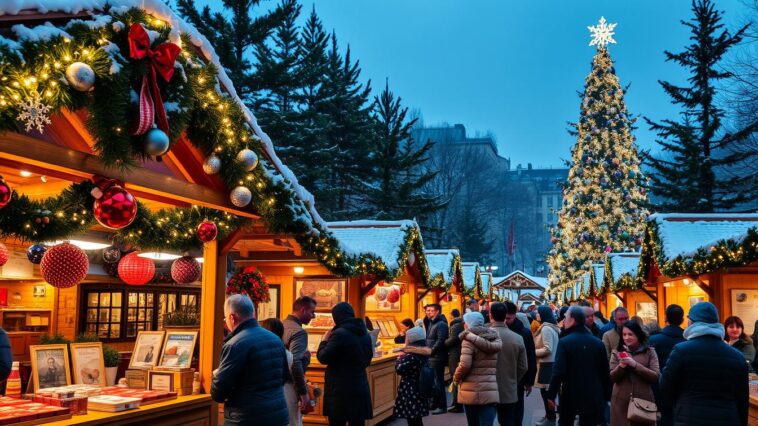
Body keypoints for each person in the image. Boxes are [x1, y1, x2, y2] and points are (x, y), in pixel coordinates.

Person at [659, 302, 749, 426]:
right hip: (727, 419)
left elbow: (665, 388)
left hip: (689, 417)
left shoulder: (681, 351)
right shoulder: (738, 357)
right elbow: (742, 400)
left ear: (692, 322)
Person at [211, 294, 289, 426]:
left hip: (246, 417)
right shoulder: (275, 339)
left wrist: (216, 375)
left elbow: (219, 393)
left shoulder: (234, 344)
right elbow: (284, 376)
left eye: (225, 318)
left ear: (232, 317)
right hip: (278, 413)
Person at [547, 306, 611, 426]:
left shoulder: (565, 342)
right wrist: (607, 395)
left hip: (570, 393)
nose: (563, 320)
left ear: (572, 320)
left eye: (566, 317)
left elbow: (558, 371)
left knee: (566, 421)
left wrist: (551, 394)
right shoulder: (597, 343)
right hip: (593, 393)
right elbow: (604, 371)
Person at [316, 302, 373, 426]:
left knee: (338, 422)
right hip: (359, 386)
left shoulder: (339, 334)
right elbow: (368, 360)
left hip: (340, 391)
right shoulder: (365, 334)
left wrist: (324, 341)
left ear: (336, 317)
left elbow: (323, 357)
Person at [453, 312, 502, 426]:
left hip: (471, 389)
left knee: (473, 422)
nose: (464, 324)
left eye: (465, 322)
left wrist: (456, 378)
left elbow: (465, 364)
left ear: (469, 324)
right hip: (490, 388)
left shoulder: (468, 340)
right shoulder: (494, 337)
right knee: (487, 423)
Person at [609, 320, 660, 426]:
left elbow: (655, 376)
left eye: (630, 334)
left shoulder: (650, 352)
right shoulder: (616, 352)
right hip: (620, 402)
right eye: (624, 334)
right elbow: (611, 378)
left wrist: (635, 365)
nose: (626, 337)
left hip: (643, 401)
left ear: (638, 335)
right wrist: (622, 366)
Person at [489, 302, 527, 426]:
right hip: (509, 387)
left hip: (486, 387)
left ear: (491, 315)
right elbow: (523, 366)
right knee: (507, 420)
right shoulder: (517, 338)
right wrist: (514, 379)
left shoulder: (482, 336)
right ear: (505, 315)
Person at [648, 304, 686, 426]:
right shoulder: (688, 340)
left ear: (666, 318)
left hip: (659, 388)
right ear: (682, 320)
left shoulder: (654, 340)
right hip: (682, 390)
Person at [261, 318, 300, 426]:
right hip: (285, 393)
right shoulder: (286, 353)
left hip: (263, 396)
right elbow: (294, 373)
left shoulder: (258, 351)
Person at [283, 296, 317, 414]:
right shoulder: (299, 332)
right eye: (312, 312)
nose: (313, 316)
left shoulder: (281, 324)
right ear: (303, 309)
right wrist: (303, 393)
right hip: (291, 387)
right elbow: (295, 363)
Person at [504, 301, 537, 425]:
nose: (506, 321)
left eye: (508, 318)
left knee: (517, 407)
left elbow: (530, 357)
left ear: (515, 316)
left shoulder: (524, 332)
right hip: (502, 377)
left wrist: (529, 381)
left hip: (518, 377)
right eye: (504, 318)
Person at [395, 326, 431, 426]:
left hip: (410, 388)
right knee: (416, 416)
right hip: (420, 386)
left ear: (411, 339)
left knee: (412, 416)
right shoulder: (423, 353)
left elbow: (399, 369)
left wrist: (399, 359)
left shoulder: (411, 356)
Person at [534, 305, 561, 426]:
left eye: (538, 313)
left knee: (546, 393)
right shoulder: (552, 327)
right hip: (550, 363)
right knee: (548, 393)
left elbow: (547, 349)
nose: (536, 314)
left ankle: (550, 418)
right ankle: (549, 416)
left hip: (546, 364)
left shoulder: (546, 329)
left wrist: (532, 352)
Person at [424, 303, 449, 415]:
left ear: (437, 311)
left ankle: (442, 406)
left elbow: (441, 340)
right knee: (433, 382)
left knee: (439, 382)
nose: (428, 312)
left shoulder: (441, 324)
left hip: (437, 357)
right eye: (427, 310)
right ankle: (434, 403)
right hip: (432, 357)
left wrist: (431, 351)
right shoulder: (431, 322)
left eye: (431, 310)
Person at [445, 309, 465, 412]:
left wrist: (444, 343)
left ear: (451, 315)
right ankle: (456, 402)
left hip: (455, 354)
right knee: (455, 378)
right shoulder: (459, 324)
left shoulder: (456, 325)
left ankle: (457, 403)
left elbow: (452, 340)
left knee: (455, 378)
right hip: (456, 353)